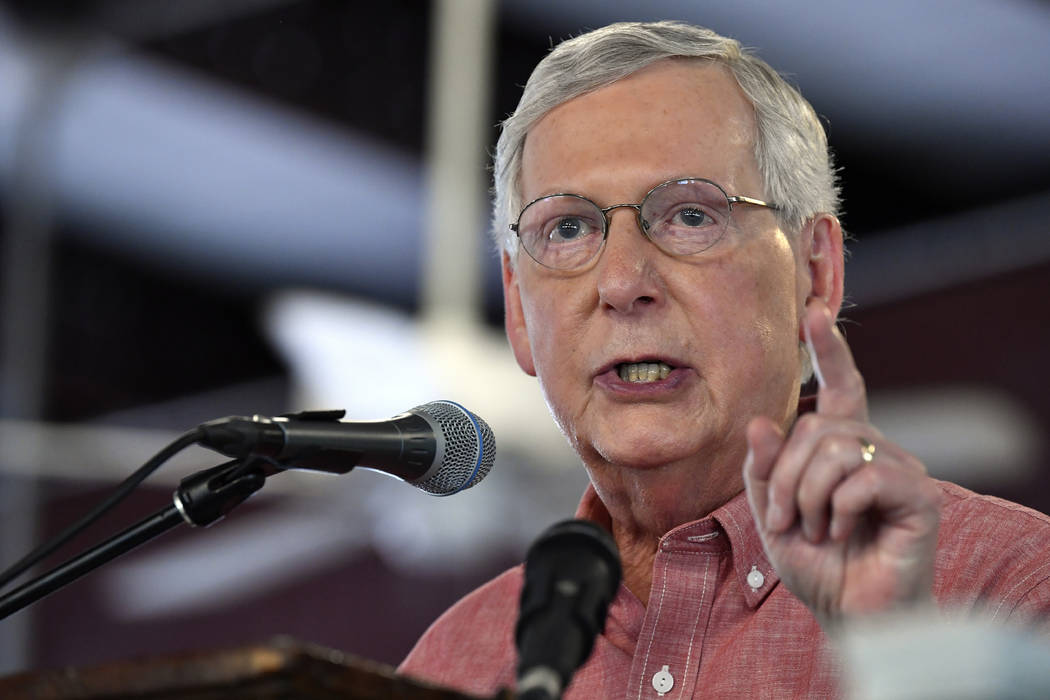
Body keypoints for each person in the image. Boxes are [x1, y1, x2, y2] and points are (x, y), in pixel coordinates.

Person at [398, 20, 1050, 698]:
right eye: (567, 228)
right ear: (517, 308)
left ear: (816, 274)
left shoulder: (1013, 590)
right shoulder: (453, 666)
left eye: (689, 215)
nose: (622, 283)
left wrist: (900, 657)